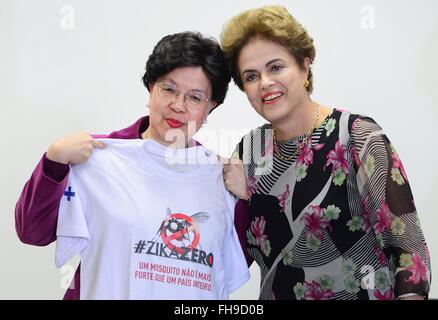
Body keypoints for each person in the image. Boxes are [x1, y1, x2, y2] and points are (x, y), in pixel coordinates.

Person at [15, 31, 249, 299]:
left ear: (211, 107)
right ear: (151, 88)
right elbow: (32, 232)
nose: (178, 105)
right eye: (169, 89)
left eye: (195, 97)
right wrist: (53, 162)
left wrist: (245, 199)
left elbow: (228, 268)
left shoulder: (220, 177)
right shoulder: (96, 156)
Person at [220, 5, 431, 300]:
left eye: (276, 67)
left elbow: (411, 256)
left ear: (304, 67)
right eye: (251, 76)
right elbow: (233, 256)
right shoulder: (250, 150)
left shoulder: (357, 136)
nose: (265, 83)